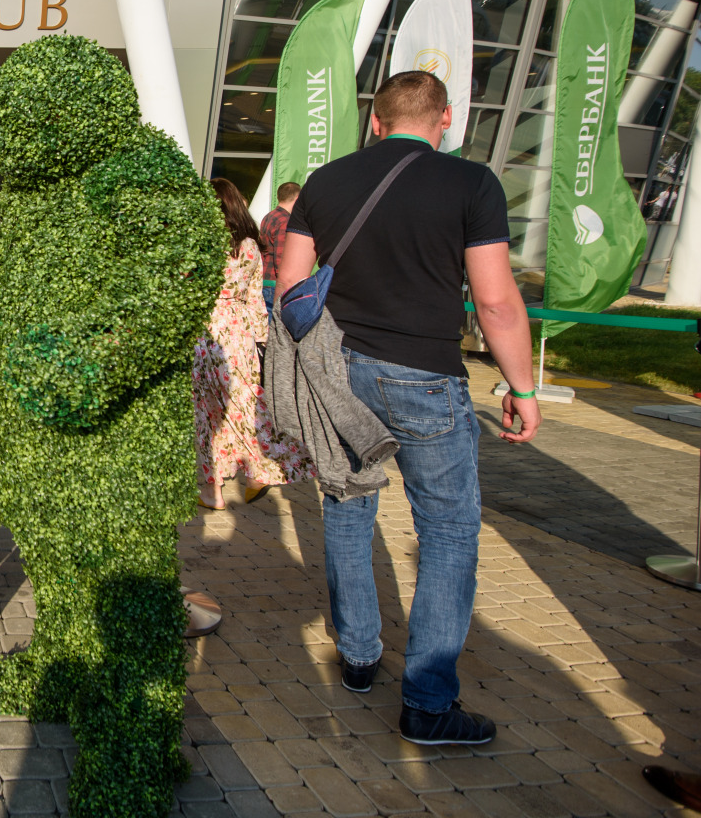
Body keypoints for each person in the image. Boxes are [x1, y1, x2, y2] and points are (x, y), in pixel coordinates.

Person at [275, 70, 539, 747]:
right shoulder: (471, 184)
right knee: (447, 532)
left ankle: (359, 658)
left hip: (338, 374)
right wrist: (521, 387)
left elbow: (292, 290)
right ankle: (426, 703)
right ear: (444, 120)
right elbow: (496, 301)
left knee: (346, 507)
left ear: (375, 120)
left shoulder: (324, 183)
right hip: (425, 376)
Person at [193, 178, 312, 509]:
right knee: (247, 408)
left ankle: (213, 490)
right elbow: (256, 300)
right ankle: (260, 470)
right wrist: (262, 341)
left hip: (209, 336)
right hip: (241, 337)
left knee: (209, 416)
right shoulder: (248, 245)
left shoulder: (202, 244)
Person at [259, 181, 300, 315]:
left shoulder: (269, 216)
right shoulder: (285, 221)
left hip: (264, 278)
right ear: (297, 198)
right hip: (274, 283)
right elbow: (281, 258)